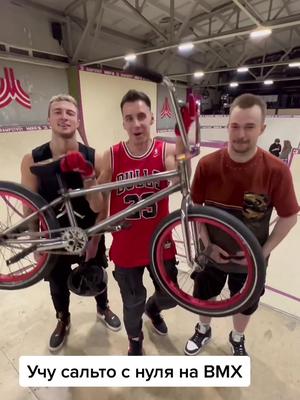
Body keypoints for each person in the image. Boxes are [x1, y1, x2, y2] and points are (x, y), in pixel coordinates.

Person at [184, 93, 299, 356]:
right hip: (211, 255)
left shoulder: (275, 171)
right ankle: (203, 330)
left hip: (251, 263)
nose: (241, 134)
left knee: (245, 304)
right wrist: (207, 244)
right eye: (235, 126)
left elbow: (289, 218)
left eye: (249, 127)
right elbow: (197, 211)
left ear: (262, 129)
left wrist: (262, 252)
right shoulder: (207, 166)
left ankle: (237, 337)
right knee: (205, 295)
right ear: (228, 126)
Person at [96, 89, 195, 355]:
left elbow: (181, 180)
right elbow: (99, 204)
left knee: (171, 297)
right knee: (132, 303)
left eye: (141, 116)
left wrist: (183, 141)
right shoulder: (112, 155)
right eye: (129, 118)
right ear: (123, 123)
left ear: (152, 118)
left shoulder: (166, 151)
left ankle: (154, 309)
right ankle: (135, 341)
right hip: (126, 247)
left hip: (159, 245)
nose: (136, 123)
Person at [21, 94, 121, 352]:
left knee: (97, 270)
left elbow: (103, 208)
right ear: (49, 119)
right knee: (57, 282)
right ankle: (63, 319)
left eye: (69, 112)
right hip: (56, 235)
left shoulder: (95, 158)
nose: (63, 116)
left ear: (78, 120)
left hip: (89, 230)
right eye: (57, 112)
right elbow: (29, 206)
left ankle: (103, 306)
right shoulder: (32, 160)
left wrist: (95, 240)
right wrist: (36, 242)